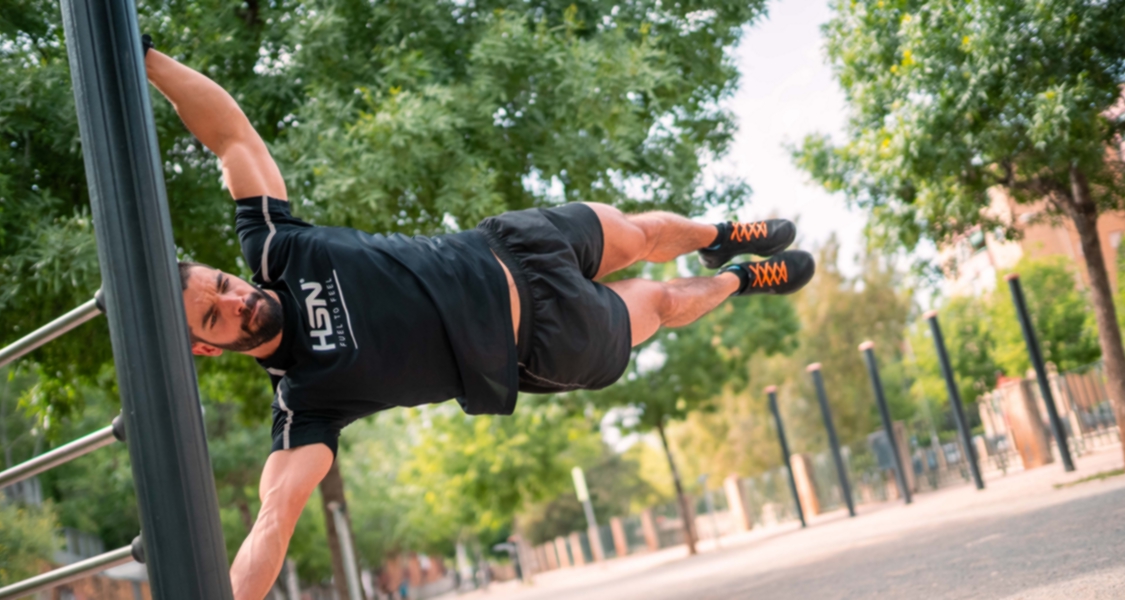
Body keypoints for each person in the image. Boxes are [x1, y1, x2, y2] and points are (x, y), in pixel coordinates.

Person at [141, 36, 814, 599]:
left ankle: (717, 233)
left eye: (222, 285)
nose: (234, 300)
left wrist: (144, 58)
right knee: (663, 304)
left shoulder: (275, 248)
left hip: (516, 246)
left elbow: (232, 137)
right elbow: (272, 523)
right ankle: (737, 277)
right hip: (549, 342)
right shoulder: (305, 403)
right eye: (215, 316)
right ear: (207, 348)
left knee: (637, 235)